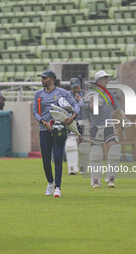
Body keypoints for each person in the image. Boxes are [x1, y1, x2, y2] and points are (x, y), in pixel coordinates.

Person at [33, 69, 80, 198]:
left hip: (59, 129)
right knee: (46, 160)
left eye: (44, 78)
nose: (42, 80)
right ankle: (50, 182)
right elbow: (35, 112)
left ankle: (58, 187)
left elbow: (76, 105)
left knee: (58, 157)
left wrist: (73, 117)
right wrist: (44, 122)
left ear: (51, 80)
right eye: (41, 78)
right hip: (44, 130)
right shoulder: (38, 94)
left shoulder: (62, 93)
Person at [85, 70, 126, 188]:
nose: (107, 80)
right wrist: (92, 105)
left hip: (109, 125)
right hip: (96, 126)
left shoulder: (110, 94)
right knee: (96, 154)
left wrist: (122, 115)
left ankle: (111, 179)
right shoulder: (91, 93)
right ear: (99, 81)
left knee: (114, 149)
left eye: (107, 78)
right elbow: (86, 107)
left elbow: (116, 107)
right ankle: (95, 181)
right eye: (105, 78)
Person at [65, 77, 90, 175]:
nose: (76, 89)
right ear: (71, 87)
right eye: (74, 87)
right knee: (71, 144)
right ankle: (72, 168)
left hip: (85, 120)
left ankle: (83, 167)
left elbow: (89, 107)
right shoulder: (68, 95)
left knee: (84, 144)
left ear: (80, 86)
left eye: (77, 87)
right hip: (73, 121)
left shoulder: (85, 94)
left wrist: (81, 101)